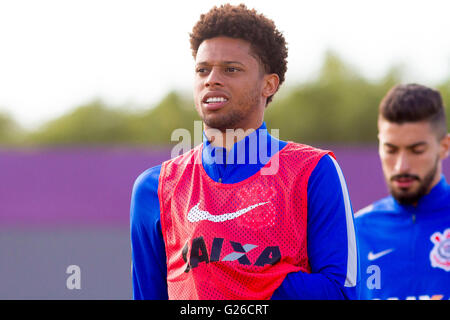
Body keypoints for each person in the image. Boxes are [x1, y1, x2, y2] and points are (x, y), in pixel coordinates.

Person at [130, 3, 357, 300]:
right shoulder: (155, 188)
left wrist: (224, 271)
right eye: (202, 70)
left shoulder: (313, 171)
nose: (211, 79)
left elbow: (342, 292)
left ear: (269, 84)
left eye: (231, 69)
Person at [355, 83, 450, 300]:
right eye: (391, 150)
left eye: (417, 150)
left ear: (444, 146)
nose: (401, 166)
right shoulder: (356, 231)